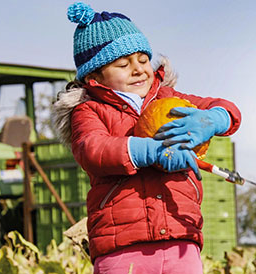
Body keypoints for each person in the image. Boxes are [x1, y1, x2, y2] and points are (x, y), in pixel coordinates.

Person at [53, 3, 241, 273]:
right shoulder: (89, 109)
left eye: (143, 60)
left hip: (180, 236)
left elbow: (228, 108)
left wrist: (214, 119)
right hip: (121, 245)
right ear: (94, 76)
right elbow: (92, 149)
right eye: (123, 64)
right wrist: (150, 151)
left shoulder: (170, 99)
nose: (138, 69)